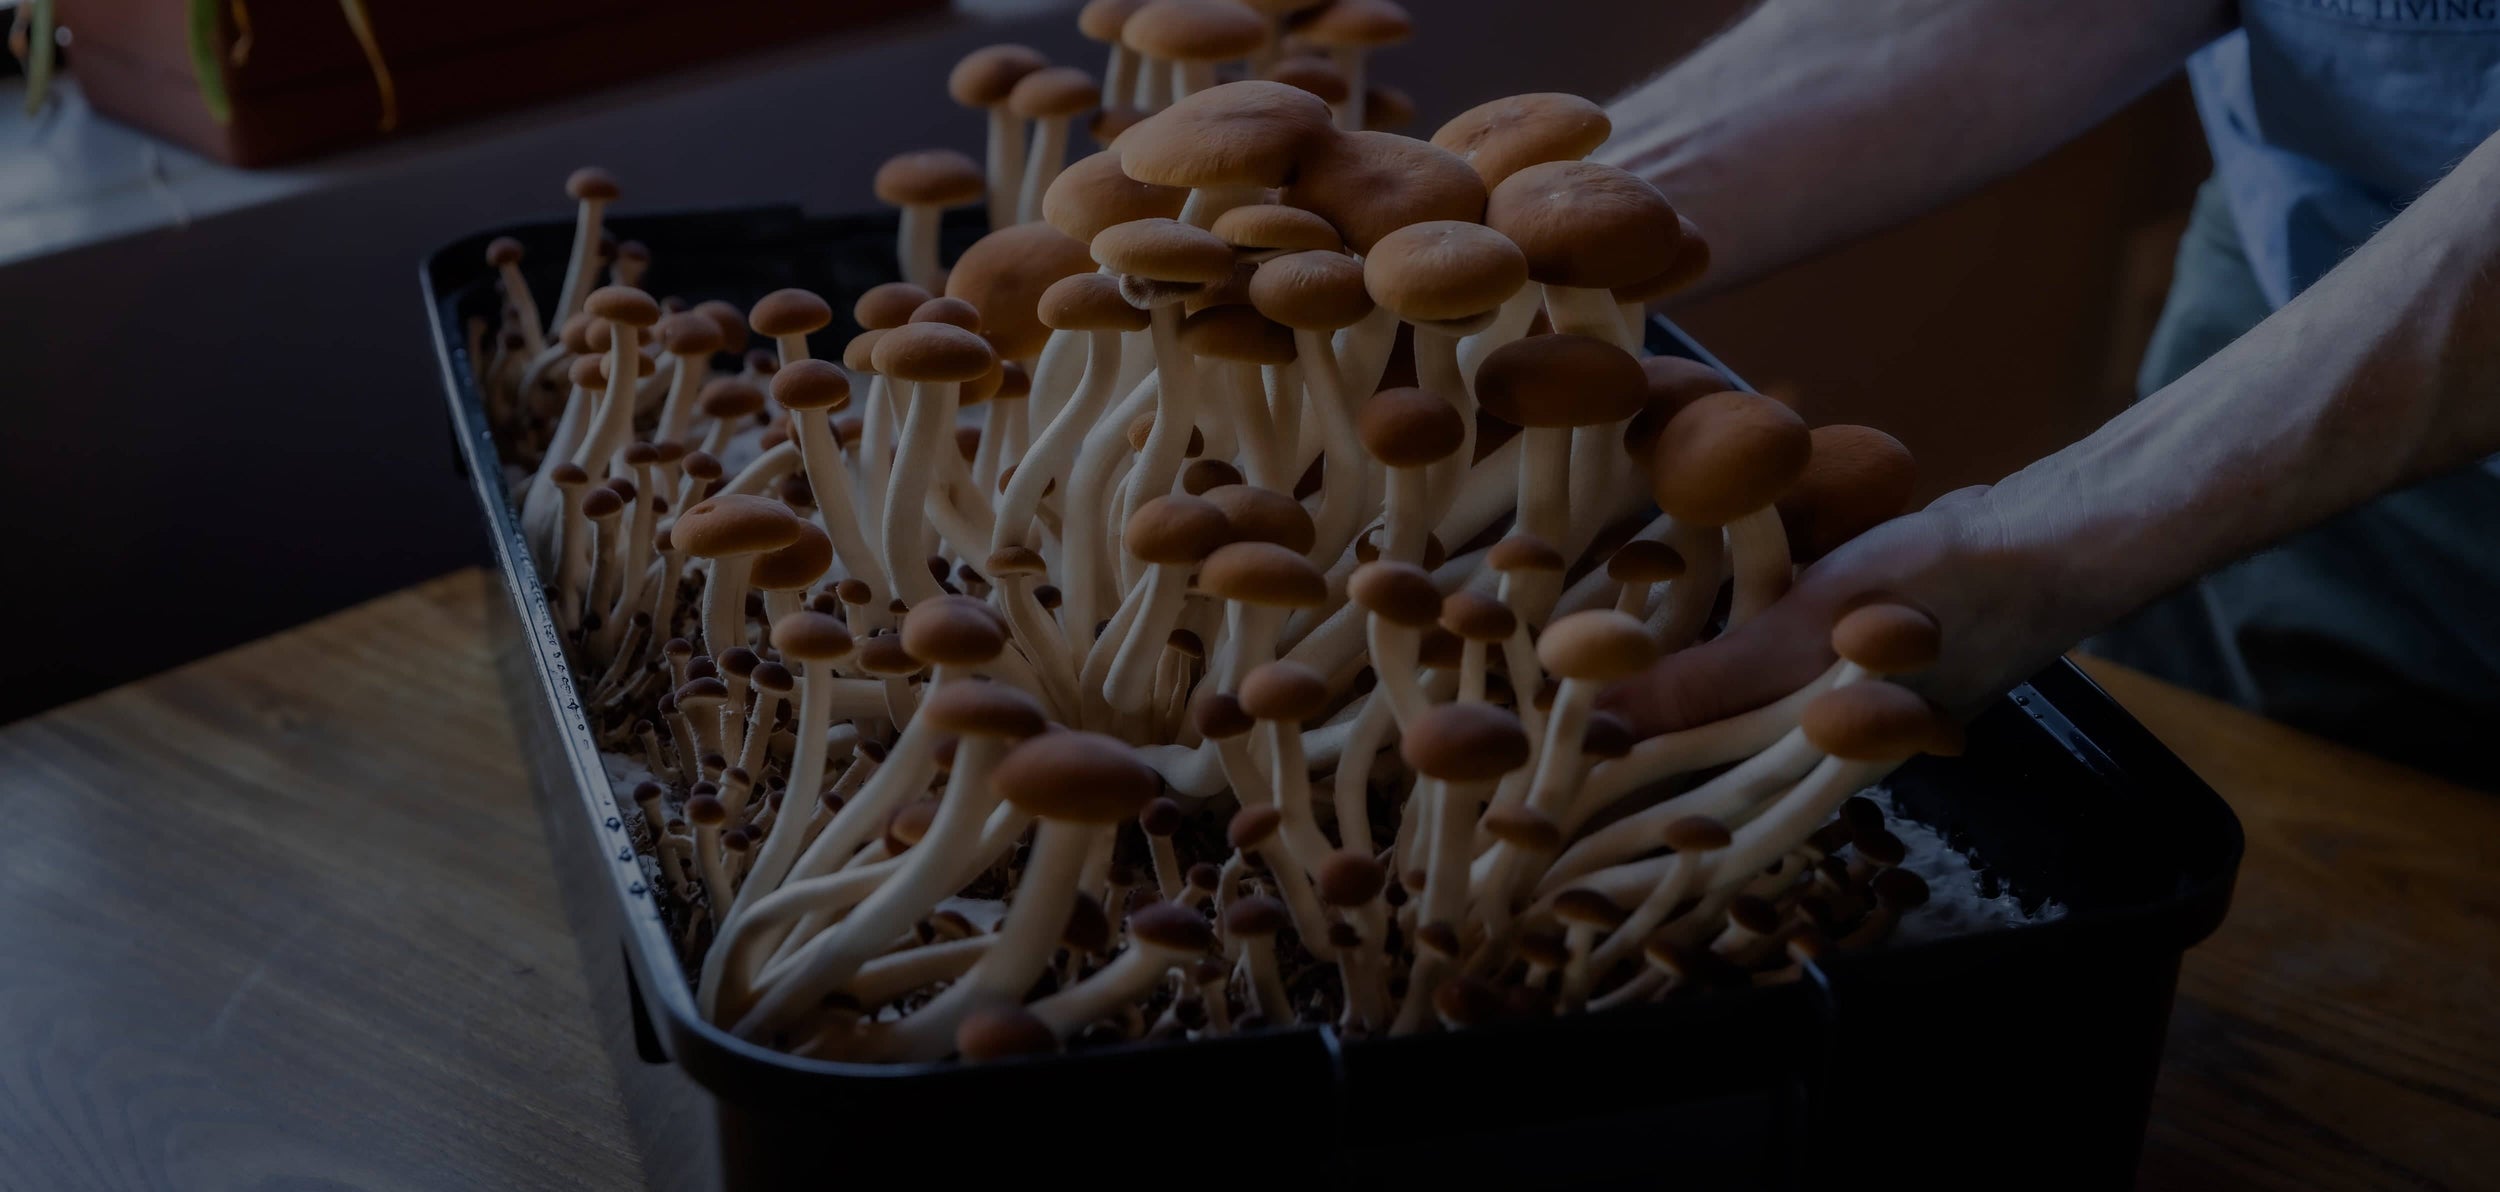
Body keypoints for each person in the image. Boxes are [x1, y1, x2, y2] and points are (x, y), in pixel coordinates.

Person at [1592, 0, 2500, 790]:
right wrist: (1571, 214)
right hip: (2313, 241)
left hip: (2417, 339)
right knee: (2231, 780)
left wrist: (2044, 547)